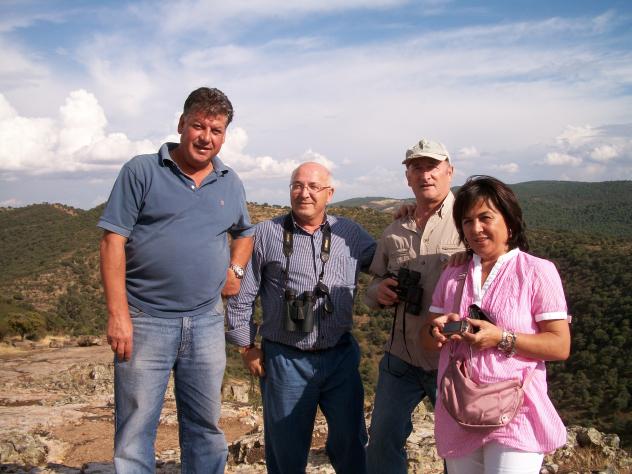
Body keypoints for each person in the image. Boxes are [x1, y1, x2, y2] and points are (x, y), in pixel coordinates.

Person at [98, 87, 254, 473]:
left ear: (225, 135)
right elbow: (112, 241)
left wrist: (235, 270)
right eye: (199, 126)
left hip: (206, 321)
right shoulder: (142, 171)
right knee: (136, 429)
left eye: (216, 130)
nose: (206, 137)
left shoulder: (230, 181)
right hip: (145, 319)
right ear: (182, 124)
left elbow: (245, 233)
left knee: (205, 426)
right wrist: (118, 315)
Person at [226, 162, 376, 473]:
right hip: (286, 359)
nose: (304, 193)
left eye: (313, 187)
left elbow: (386, 260)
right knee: (286, 449)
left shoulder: (350, 233)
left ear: (329, 194)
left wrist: (406, 220)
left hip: (340, 356)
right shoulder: (266, 233)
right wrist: (246, 346)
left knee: (351, 442)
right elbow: (243, 295)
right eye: (297, 185)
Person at [424, 175, 571, 474]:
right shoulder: (452, 274)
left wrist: (501, 337)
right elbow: (426, 340)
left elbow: (559, 345)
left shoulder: (537, 271)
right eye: (467, 221)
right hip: (460, 410)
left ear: (510, 222)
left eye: (485, 218)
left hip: (518, 413)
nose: (475, 228)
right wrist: (436, 330)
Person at [364, 137, 464, 473]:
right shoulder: (395, 230)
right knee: (381, 442)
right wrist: (378, 292)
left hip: (451, 360)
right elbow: (373, 283)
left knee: (459, 448)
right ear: (408, 178)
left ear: (449, 171)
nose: (425, 175)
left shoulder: (468, 222)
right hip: (401, 357)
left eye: (432, 166)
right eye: (417, 168)